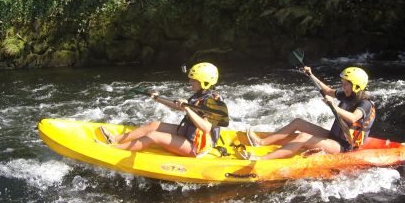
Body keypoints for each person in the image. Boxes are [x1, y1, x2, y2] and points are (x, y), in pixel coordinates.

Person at [243, 66, 375, 161]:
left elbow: (353, 118)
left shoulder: (365, 104)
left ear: (356, 86)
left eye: (345, 84)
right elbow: (328, 91)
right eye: (343, 84)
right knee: (298, 122)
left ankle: (261, 159)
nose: (342, 87)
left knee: (302, 137)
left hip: (344, 146)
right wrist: (311, 75)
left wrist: (332, 105)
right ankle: (261, 142)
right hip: (333, 136)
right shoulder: (347, 94)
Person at [100, 62, 224, 157]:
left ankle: (115, 150)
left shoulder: (213, 101)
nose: (190, 81)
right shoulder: (199, 94)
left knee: (153, 136)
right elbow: (178, 106)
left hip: (197, 146)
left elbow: (206, 128)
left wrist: (187, 109)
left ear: (204, 82)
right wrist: (157, 98)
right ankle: (115, 139)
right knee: (153, 125)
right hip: (188, 132)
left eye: (193, 79)